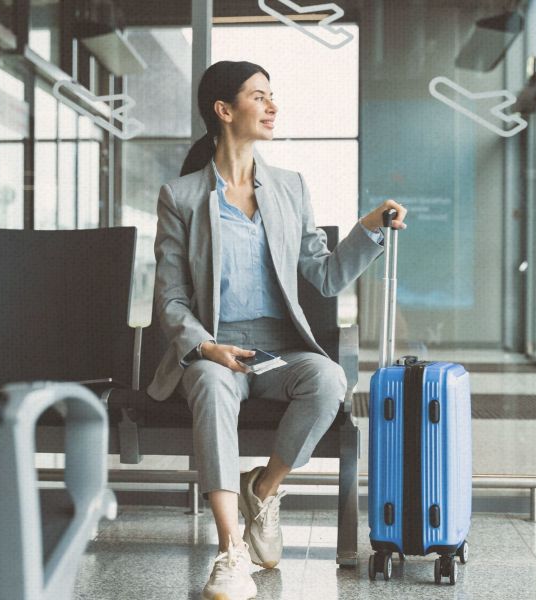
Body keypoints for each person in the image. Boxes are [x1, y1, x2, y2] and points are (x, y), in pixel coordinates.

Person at [146, 61, 407, 600]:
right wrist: (207, 347)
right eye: (259, 96)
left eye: (272, 96)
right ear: (224, 110)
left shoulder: (290, 187)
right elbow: (170, 299)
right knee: (212, 385)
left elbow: (325, 275)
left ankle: (263, 490)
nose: (272, 106)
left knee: (329, 379)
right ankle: (229, 551)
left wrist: (369, 228)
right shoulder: (182, 196)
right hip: (214, 350)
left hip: (278, 352)